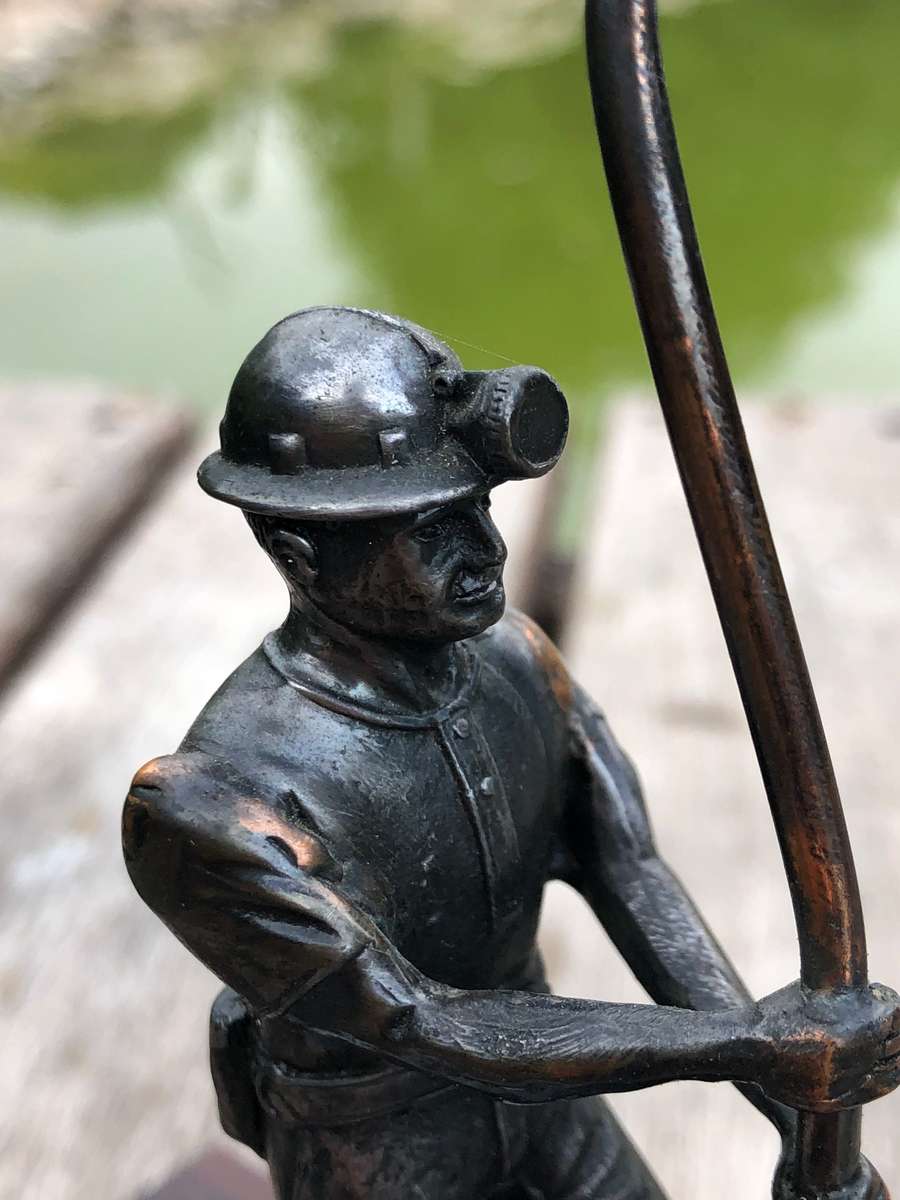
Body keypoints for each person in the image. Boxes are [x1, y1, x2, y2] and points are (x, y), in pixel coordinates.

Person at [123, 307, 900, 1200]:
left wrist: (797, 1112)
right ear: (299, 554)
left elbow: (631, 872)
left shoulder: (520, 660)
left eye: (479, 509)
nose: (486, 552)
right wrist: (751, 1045)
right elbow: (419, 1020)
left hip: (550, 1100)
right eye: (429, 532)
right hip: (383, 1153)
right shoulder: (210, 805)